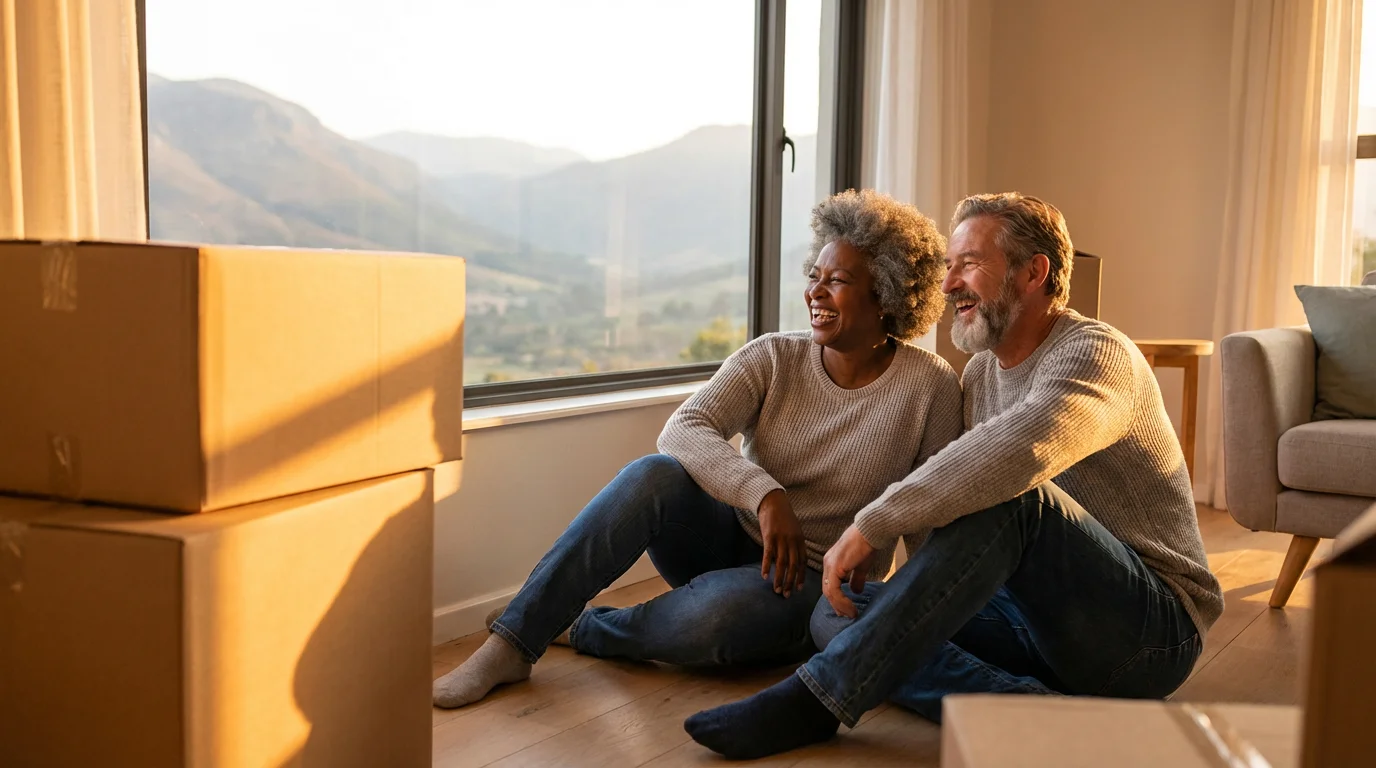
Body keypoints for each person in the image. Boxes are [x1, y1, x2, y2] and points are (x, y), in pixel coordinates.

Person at [684, 192, 1226, 759]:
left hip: (1148, 634)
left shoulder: (1097, 354)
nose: (948, 286)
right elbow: (957, 523)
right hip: (1030, 625)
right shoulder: (980, 376)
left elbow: (1022, 450)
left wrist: (873, 523)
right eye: (948, 267)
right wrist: (915, 597)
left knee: (1017, 499)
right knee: (844, 613)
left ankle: (818, 699)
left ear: (1033, 273)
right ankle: (1042, 716)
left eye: (969, 264)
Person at [433, 189, 964, 709]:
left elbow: (929, 514)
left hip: (814, 582)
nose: (816, 293)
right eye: (814, 277)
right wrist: (764, 495)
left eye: (840, 281)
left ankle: (588, 626)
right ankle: (512, 643)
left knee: (717, 623)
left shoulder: (930, 386)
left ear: (888, 295)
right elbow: (685, 427)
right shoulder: (773, 356)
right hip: (728, 538)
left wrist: (920, 617)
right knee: (653, 475)